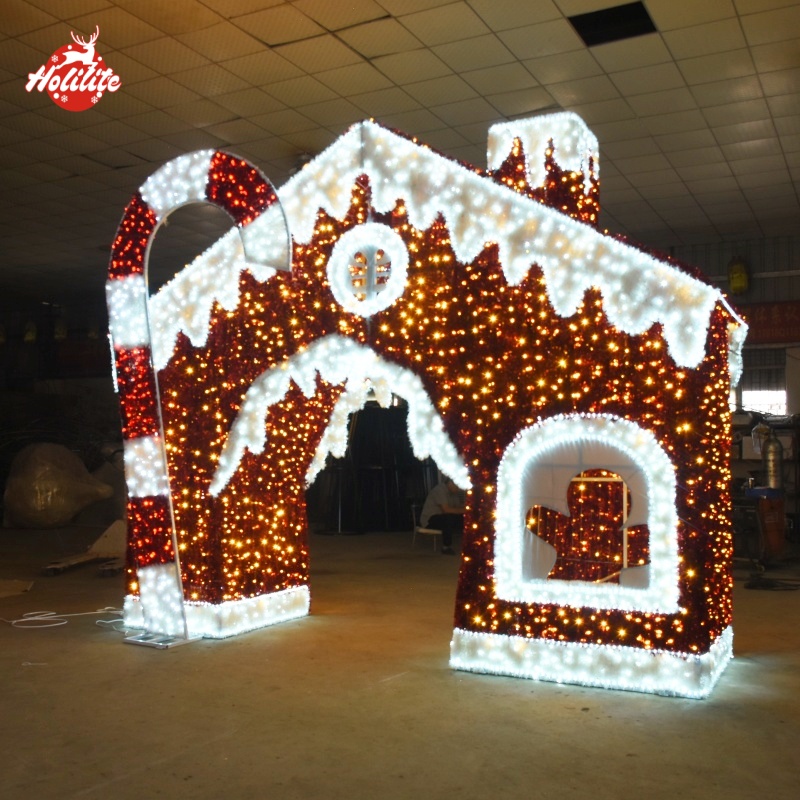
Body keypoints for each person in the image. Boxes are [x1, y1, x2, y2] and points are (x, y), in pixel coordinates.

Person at [420, 476, 465, 555]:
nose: (459, 489)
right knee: (447, 519)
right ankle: (446, 547)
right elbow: (446, 509)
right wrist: (465, 510)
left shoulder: (454, 493)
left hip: (443, 517)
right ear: (450, 483)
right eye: (458, 486)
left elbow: (457, 507)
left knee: (463, 518)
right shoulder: (439, 490)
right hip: (430, 519)